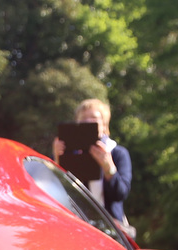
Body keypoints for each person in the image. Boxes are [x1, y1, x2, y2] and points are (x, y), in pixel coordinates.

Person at [50, 98, 132, 231]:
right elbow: (54, 192)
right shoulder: (67, 153)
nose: (88, 122)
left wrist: (108, 167)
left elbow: (120, 194)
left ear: (104, 125)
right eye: (83, 118)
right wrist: (57, 160)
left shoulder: (118, 153)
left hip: (112, 230)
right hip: (76, 228)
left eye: (94, 118)